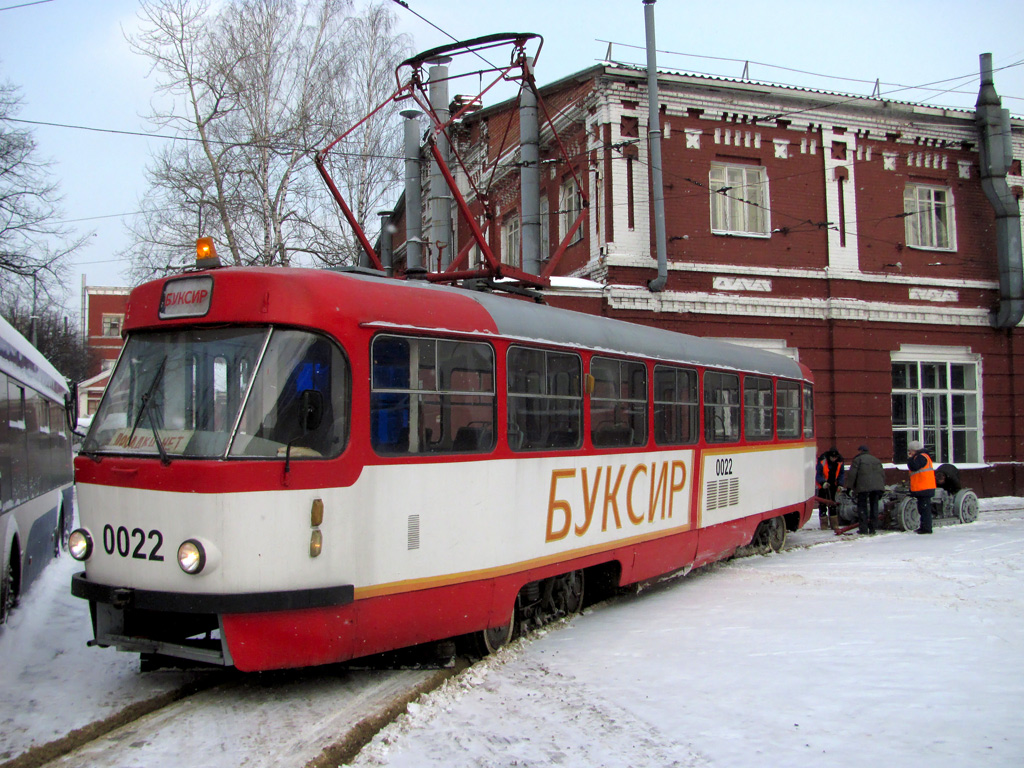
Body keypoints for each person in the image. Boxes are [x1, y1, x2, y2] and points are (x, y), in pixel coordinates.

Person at [844, 444, 886, 534]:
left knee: (862, 507)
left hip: (863, 487)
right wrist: (881, 488)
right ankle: (873, 528)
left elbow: (852, 475)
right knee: (874, 507)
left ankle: (863, 529)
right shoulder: (876, 460)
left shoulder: (858, 460)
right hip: (876, 488)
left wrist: (849, 487)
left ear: (860, 451)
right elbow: (882, 474)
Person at [906, 440, 936, 534]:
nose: (909, 452)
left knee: (924, 509)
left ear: (914, 450)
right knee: (923, 508)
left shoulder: (921, 457)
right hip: (924, 487)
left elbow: (914, 467)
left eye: (910, 450)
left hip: (924, 487)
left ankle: (926, 528)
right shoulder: (922, 456)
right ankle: (924, 527)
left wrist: (910, 459)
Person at [815, 447, 845, 530]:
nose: (834, 459)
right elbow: (818, 474)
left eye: (835, 458)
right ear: (829, 456)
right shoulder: (822, 461)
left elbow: (841, 474)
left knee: (833, 504)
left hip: (833, 485)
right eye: (832, 457)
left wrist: (840, 484)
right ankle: (824, 524)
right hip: (823, 486)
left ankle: (834, 524)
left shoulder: (840, 462)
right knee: (822, 505)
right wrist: (823, 482)